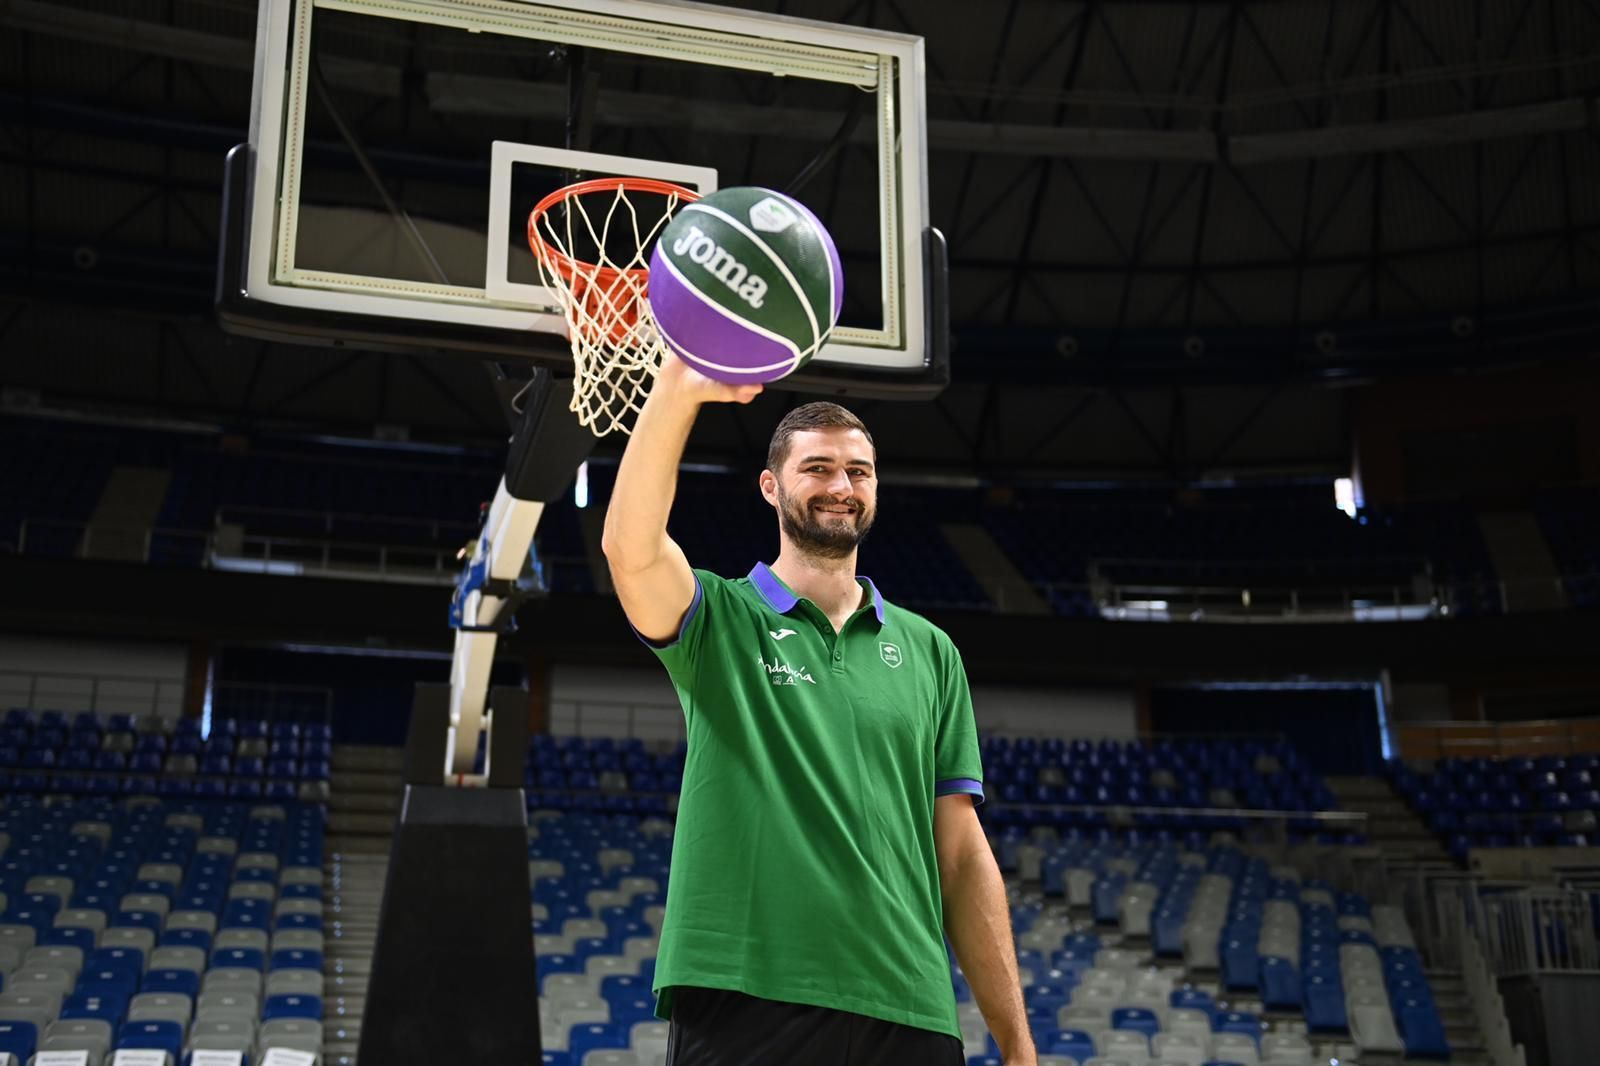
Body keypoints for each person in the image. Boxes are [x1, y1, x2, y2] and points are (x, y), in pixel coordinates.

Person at [602, 353, 1034, 1066]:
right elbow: (629, 549)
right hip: (748, 993)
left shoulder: (932, 651)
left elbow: (959, 853)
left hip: (911, 1003)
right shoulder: (721, 619)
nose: (841, 486)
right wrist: (677, 392)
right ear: (771, 487)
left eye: (858, 471)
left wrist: (1016, 1041)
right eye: (819, 468)